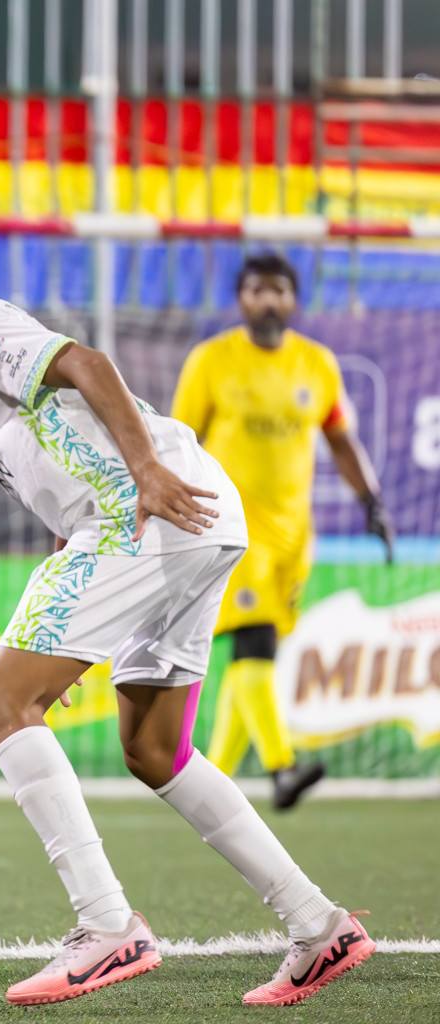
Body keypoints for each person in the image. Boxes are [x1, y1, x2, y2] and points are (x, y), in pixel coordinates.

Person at [0, 196, 373, 1007]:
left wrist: (145, 474)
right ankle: (319, 926)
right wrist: (85, 596)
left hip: (148, 509)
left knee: (0, 706)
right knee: (155, 749)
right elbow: (64, 433)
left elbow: (87, 364)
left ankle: (108, 927)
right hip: (198, 517)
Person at [172, 253, 392, 809]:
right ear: (241, 299)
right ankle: (282, 766)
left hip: (296, 534)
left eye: (277, 290)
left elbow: (341, 441)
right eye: (255, 290)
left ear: (294, 300)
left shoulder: (316, 365)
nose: (267, 300)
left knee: (257, 661)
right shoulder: (212, 360)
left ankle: (212, 778)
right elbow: (179, 439)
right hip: (230, 527)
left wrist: (371, 501)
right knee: (254, 644)